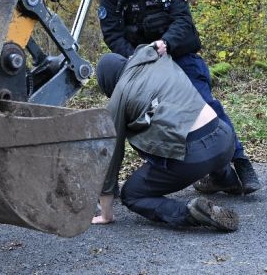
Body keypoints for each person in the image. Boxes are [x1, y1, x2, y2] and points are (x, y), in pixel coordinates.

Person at [98, 0, 261, 195]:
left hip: (179, 55)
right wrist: (139, 58)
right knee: (138, 118)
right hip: (141, 65)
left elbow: (183, 20)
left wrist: (165, 44)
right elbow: (112, 34)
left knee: (205, 104)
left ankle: (239, 163)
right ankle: (137, 176)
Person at [92, 47, 239, 231]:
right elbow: (148, 48)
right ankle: (227, 179)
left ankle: (189, 211)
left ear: (107, 83)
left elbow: (110, 158)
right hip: (225, 140)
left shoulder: (119, 95)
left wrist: (106, 213)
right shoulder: (156, 62)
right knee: (190, 121)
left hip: (194, 159)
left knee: (132, 194)